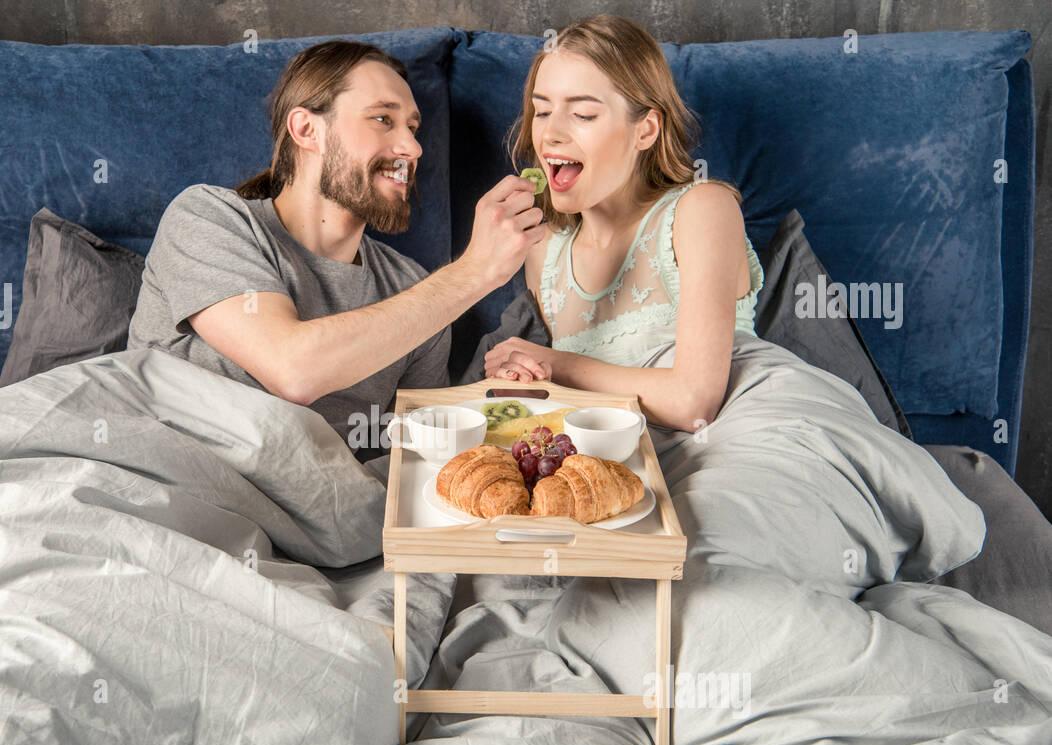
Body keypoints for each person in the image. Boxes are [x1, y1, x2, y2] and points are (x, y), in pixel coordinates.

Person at [129, 40, 547, 461]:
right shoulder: (208, 218)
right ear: (307, 129)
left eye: (413, 128)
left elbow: (418, 457)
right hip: (168, 489)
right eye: (383, 119)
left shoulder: (414, 290)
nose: (413, 149)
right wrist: (473, 273)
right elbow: (293, 370)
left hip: (318, 514)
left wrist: (494, 397)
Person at [483, 15, 764, 434]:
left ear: (645, 131)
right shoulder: (544, 248)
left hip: (735, 430)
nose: (549, 134)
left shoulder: (702, 210)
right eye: (541, 111)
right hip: (617, 440)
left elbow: (693, 405)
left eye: (582, 114)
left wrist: (555, 364)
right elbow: (579, 401)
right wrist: (523, 373)